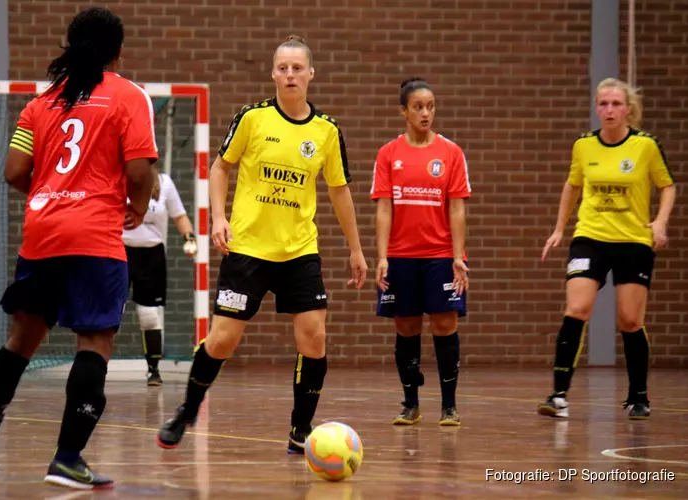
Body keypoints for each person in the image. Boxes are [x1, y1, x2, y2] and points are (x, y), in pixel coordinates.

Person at [0, 6, 157, 490]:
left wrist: (51, 198)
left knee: (20, 342)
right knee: (94, 343)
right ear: (118, 50)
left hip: (42, 235)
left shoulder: (41, 103)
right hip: (94, 239)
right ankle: (67, 458)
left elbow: (14, 172)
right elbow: (139, 171)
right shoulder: (129, 96)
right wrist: (139, 208)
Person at [156, 34, 368, 454]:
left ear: (311, 74)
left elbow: (339, 191)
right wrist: (218, 218)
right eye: (283, 68)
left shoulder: (326, 132)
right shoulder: (252, 119)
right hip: (248, 248)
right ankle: (187, 409)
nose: (290, 75)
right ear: (273, 73)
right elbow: (220, 168)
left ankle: (300, 431)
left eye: (297, 68)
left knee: (314, 337)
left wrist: (356, 248)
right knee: (222, 340)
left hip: (299, 251)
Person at [538, 77, 676, 420]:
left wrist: (659, 222)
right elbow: (572, 186)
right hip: (591, 237)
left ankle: (638, 396)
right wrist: (559, 229)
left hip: (632, 240)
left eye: (616, 104)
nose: (609, 110)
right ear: (596, 107)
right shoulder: (583, 146)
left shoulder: (645, 145)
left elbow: (667, 186)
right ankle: (558, 395)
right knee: (577, 308)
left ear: (628, 108)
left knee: (630, 320)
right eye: (603, 104)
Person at [370, 78, 471, 427]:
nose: (425, 112)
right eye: (418, 106)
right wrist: (382, 257)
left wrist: (458, 257)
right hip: (400, 256)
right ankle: (410, 403)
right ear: (404, 111)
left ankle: (449, 406)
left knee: (445, 325)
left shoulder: (451, 153)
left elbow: (457, 209)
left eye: (430, 106)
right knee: (407, 326)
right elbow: (384, 209)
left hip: (441, 255)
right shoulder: (388, 154)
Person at [123, 165, 197, 386]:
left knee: (149, 315)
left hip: (152, 255)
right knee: (110, 312)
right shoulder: (119, 178)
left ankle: (153, 370)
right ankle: (97, 364)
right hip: (120, 251)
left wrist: (189, 236)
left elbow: (179, 215)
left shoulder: (164, 183)